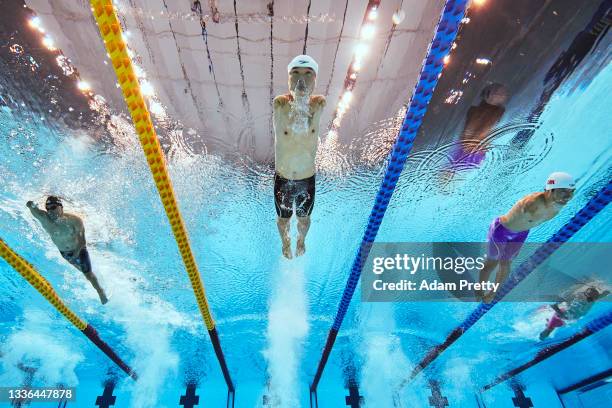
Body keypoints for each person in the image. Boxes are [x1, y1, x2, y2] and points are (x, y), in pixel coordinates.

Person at [477, 172, 576, 303]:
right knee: (492, 262)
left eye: (571, 192)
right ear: (550, 190)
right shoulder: (533, 202)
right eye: (564, 191)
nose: (568, 196)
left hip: (521, 234)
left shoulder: (557, 206)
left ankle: (493, 292)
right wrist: (549, 200)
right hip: (501, 230)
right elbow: (530, 205)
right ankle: (478, 290)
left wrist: (556, 199)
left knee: (506, 263)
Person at [273, 55, 326, 258]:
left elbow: (313, 98)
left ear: (315, 80)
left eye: (307, 74)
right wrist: (298, 95)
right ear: (288, 79)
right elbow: (292, 97)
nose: (300, 80)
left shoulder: (319, 104)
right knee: (283, 219)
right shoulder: (280, 104)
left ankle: (301, 240)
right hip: (283, 178)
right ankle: (285, 242)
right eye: (295, 74)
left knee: (304, 219)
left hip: (306, 179)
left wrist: (305, 96)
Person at [27, 196, 108, 304]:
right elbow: (31, 206)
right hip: (65, 253)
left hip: (79, 249)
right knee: (83, 272)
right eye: (48, 208)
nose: (50, 211)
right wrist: (31, 204)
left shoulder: (75, 220)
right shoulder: (44, 218)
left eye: (54, 207)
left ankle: (100, 291)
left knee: (88, 274)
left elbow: (82, 241)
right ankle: (96, 279)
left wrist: (76, 253)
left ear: (61, 207)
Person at [446, 83, 508, 173]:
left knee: (454, 171)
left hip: (471, 150)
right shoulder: (476, 111)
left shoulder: (495, 113)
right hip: (471, 150)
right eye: (496, 92)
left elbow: (479, 131)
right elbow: (473, 130)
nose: (497, 94)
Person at [539, 285, 609, 340]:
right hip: (569, 316)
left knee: (552, 325)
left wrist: (555, 306)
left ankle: (544, 333)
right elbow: (559, 313)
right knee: (552, 324)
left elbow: (560, 314)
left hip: (570, 317)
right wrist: (555, 306)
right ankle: (544, 334)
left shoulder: (556, 321)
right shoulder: (559, 317)